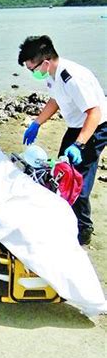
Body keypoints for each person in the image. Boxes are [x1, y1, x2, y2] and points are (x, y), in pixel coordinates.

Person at [18, 35, 106, 245]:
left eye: (33, 69)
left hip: (95, 128)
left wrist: (79, 144)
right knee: (59, 174)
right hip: (76, 126)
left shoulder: (73, 77)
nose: (33, 73)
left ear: (45, 62)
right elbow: (55, 99)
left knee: (78, 183)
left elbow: (94, 113)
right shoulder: (52, 74)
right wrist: (37, 123)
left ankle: (83, 230)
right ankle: (64, 219)